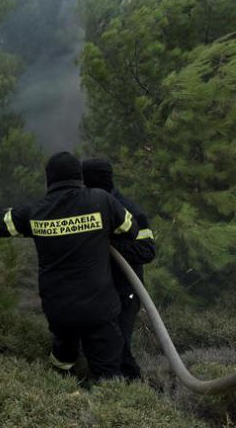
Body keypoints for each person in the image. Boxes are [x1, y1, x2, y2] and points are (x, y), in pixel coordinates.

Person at [0, 151, 138, 381]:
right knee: (107, 371)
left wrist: (1, 215)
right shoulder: (100, 200)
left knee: (64, 353)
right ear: (79, 177)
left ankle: (58, 383)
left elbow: (0, 225)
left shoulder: (35, 210)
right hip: (98, 308)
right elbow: (130, 229)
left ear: (48, 180)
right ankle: (102, 396)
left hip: (58, 309)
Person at [82, 158, 156, 381]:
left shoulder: (129, 210)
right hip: (97, 290)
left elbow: (147, 251)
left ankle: (134, 388)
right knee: (98, 344)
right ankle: (103, 386)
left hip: (125, 291)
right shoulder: (86, 206)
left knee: (119, 345)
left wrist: (109, 242)